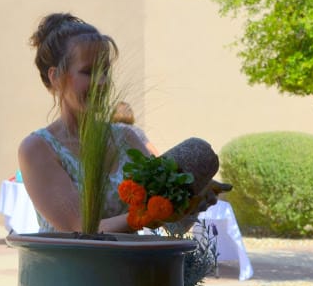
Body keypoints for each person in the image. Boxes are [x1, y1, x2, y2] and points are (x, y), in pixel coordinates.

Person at [19, 12, 229, 234]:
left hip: (130, 268)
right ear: (56, 77)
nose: (101, 82)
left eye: (105, 71)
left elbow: (174, 223)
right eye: (88, 72)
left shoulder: (126, 138)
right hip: (70, 268)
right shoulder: (38, 149)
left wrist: (192, 200)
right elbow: (81, 230)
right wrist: (149, 214)